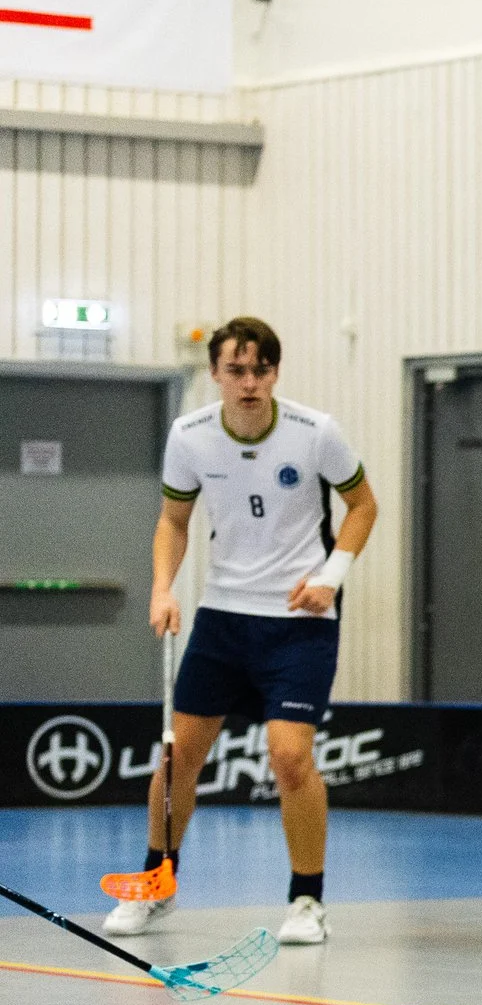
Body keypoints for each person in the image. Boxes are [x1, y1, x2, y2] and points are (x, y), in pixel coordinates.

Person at [105, 316, 378, 947]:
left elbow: (363, 505)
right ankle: (156, 885)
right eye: (236, 370)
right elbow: (174, 521)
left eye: (261, 370)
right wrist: (162, 588)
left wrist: (331, 578)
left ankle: (307, 900)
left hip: (300, 622)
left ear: (275, 373)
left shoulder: (316, 433)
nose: (249, 382)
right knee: (178, 759)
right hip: (223, 618)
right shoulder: (191, 436)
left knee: (289, 758)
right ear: (216, 374)